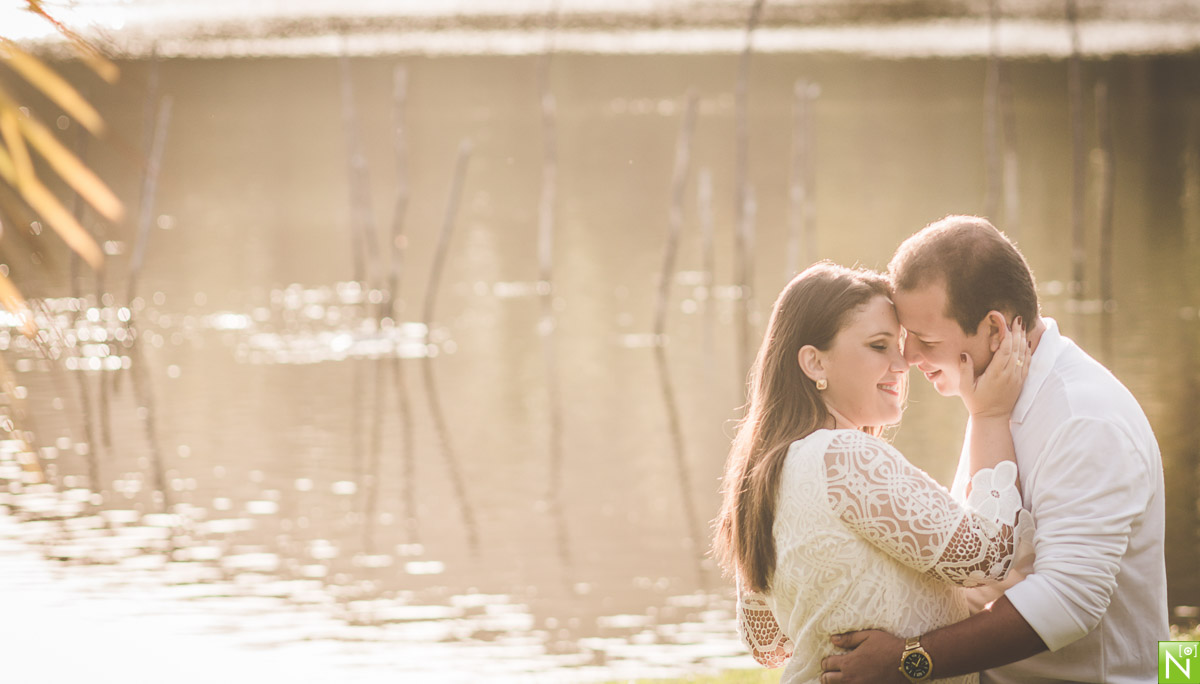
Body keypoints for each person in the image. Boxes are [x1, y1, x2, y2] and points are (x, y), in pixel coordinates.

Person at [820, 215, 1168, 683]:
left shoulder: (1083, 420)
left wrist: (908, 660)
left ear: (995, 331)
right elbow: (978, 568)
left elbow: (1068, 602)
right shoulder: (995, 399)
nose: (908, 359)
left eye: (925, 340)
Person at [712, 261, 1033, 684]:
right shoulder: (845, 457)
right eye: (880, 346)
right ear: (814, 363)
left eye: (900, 345)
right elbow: (989, 558)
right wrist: (990, 414)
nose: (903, 364)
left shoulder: (767, 469)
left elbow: (768, 643)